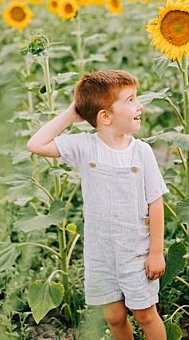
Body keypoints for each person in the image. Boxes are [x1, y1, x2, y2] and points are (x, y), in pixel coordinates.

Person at [27, 70, 168, 340]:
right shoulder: (84, 147)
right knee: (114, 317)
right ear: (105, 116)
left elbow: (156, 202)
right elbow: (36, 144)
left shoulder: (142, 152)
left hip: (136, 253)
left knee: (145, 315)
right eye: (129, 101)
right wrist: (71, 114)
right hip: (100, 253)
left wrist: (156, 252)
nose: (139, 106)